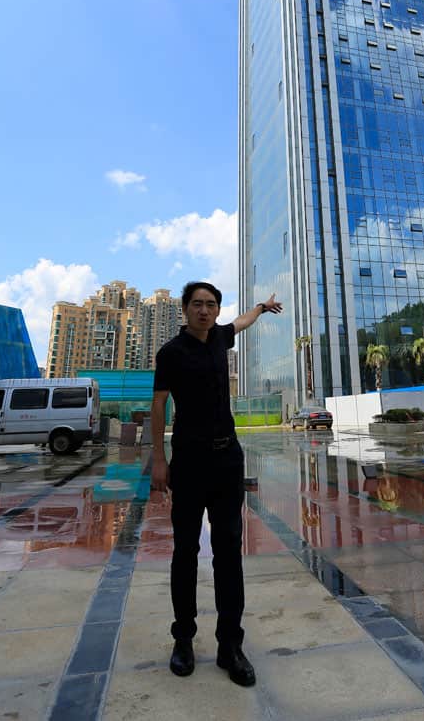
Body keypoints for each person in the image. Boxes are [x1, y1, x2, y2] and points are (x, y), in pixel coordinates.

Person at [150, 281, 282, 687]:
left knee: (228, 552)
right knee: (185, 551)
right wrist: (159, 458)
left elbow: (242, 322)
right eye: (197, 305)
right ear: (185, 310)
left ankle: (230, 646)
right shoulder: (170, 352)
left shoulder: (221, 338)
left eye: (210, 305)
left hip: (227, 459)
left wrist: (261, 306)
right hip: (188, 461)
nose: (204, 311)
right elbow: (159, 405)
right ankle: (184, 640)